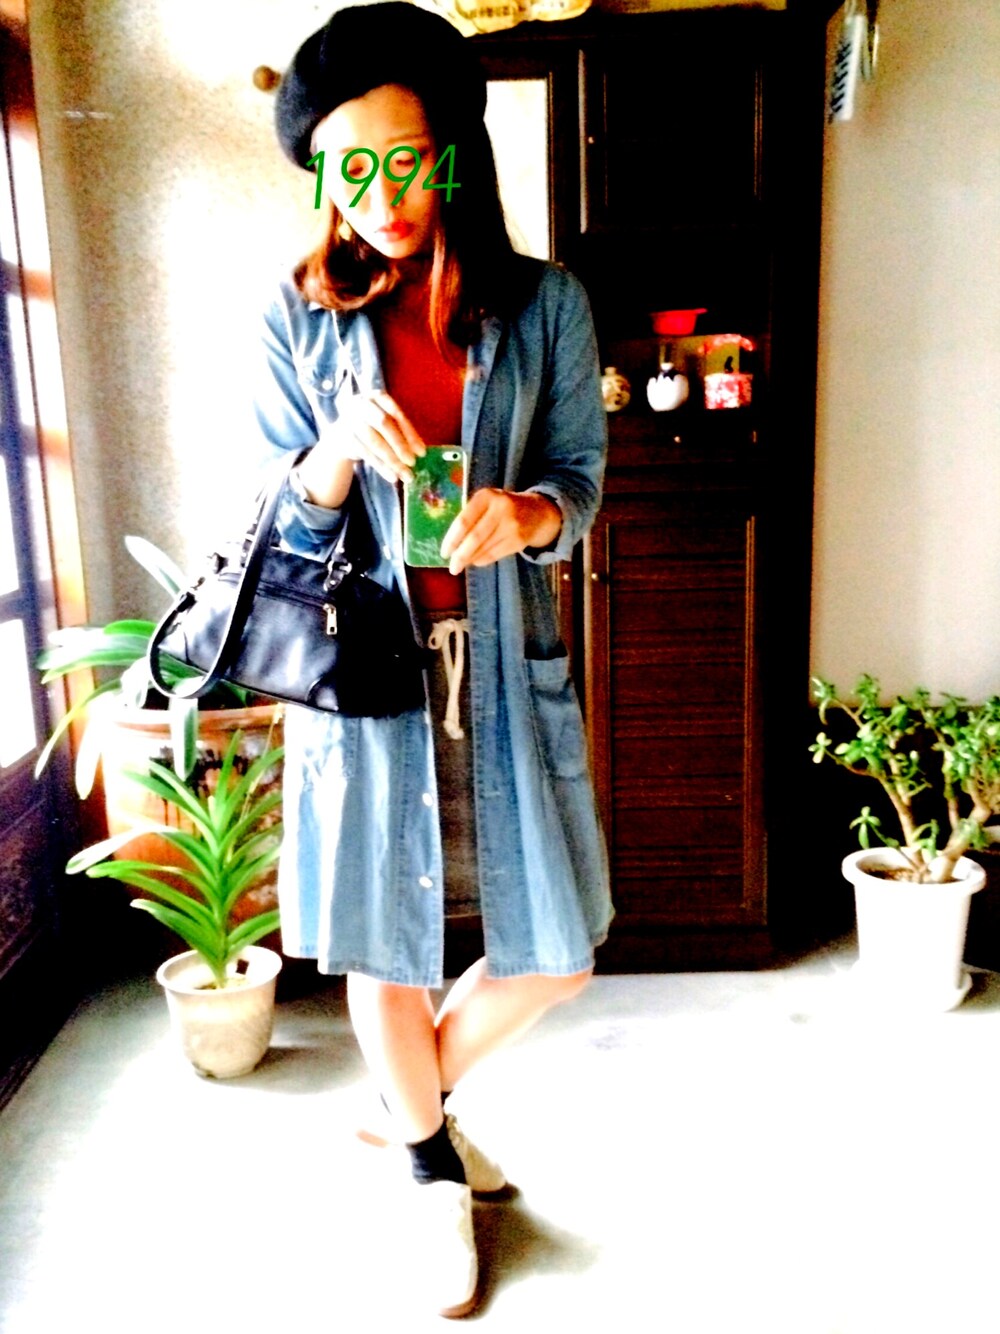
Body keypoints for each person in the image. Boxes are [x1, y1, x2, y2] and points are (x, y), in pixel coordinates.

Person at [256, 3, 613, 1317]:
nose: (380, 195)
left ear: (454, 152)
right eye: (347, 169)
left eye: (404, 160)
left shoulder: (548, 305)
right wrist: (333, 451)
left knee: (557, 948)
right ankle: (428, 1170)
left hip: (505, 662)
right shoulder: (297, 312)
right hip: (363, 672)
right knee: (383, 942)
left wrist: (527, 515)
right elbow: (280, 515)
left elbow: (580, 479)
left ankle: (412, 1105)